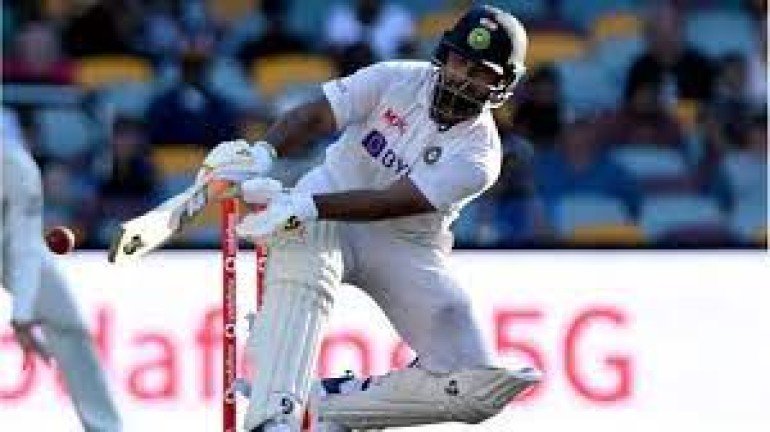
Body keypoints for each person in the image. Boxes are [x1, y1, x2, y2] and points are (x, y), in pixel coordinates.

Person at [201, 5, 541, 431]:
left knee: (474, 385)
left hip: (403, 245)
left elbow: (390, 201)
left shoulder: (480, 156)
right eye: (460, 63)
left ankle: (329, 409)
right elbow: (316, 115)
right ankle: (274, 416)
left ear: (501, 85)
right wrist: (263, 154)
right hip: (328, 204)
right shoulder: (396, 78)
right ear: (445, 55)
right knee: (307, 256)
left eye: (481, 73)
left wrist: (307, 206)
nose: (463, 78)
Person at [1, 108, 122, 432]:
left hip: (6, 240)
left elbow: (25, 246)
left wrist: (22, 316)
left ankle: (104, 427)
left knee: (68, 323)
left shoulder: (18, 167)